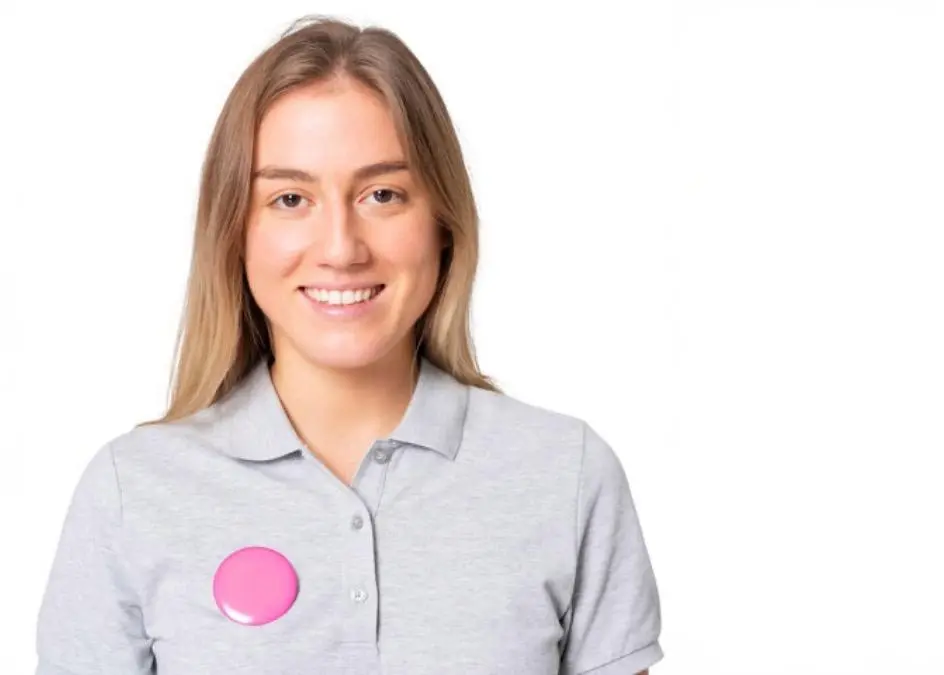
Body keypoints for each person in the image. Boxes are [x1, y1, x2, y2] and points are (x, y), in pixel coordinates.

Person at [34, 15, 662, 675]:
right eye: (290, 198)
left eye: (382, 194)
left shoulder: (566, 474)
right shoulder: (132, 490)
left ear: (442, 221)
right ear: (235, 232)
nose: (340, 248)